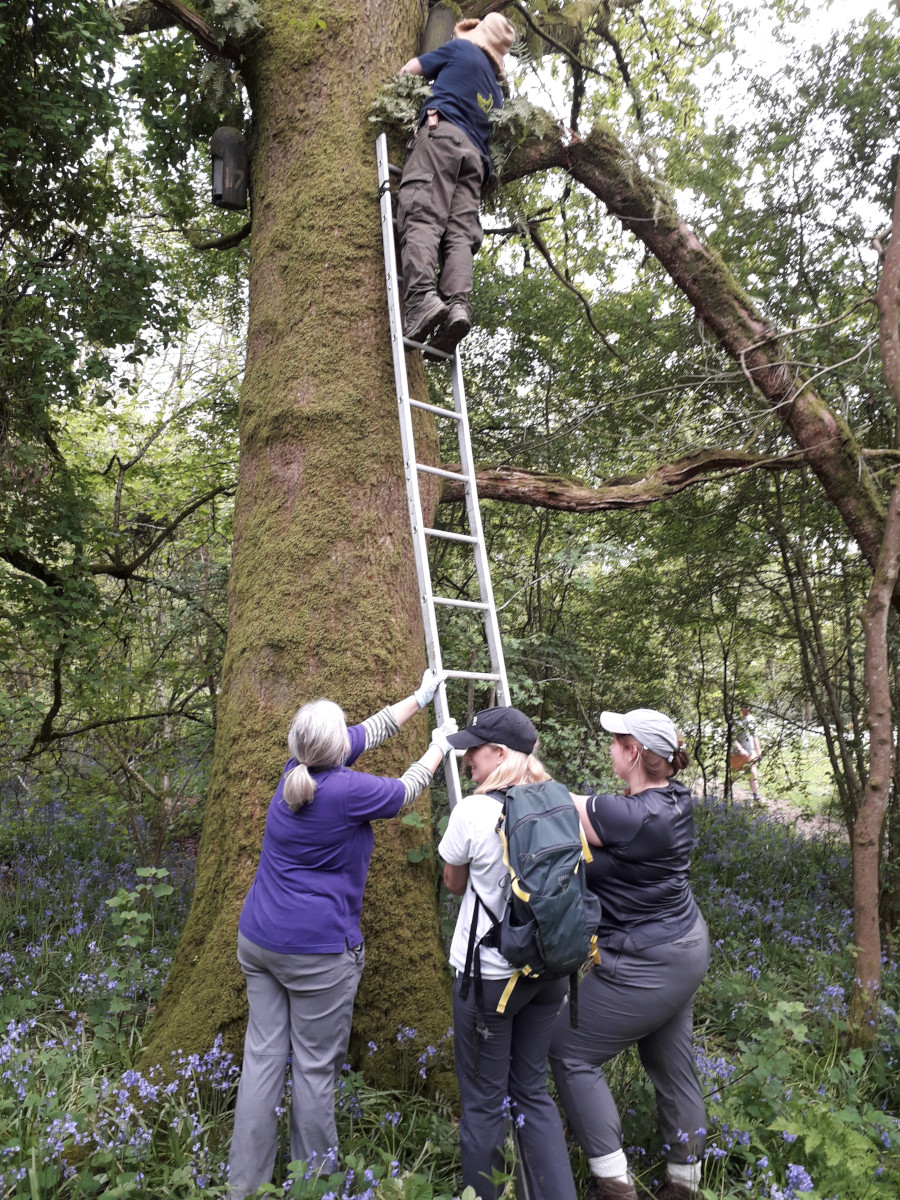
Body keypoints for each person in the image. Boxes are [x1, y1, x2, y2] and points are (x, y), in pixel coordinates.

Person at [227, 669, 456, 1200]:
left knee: (261, 1059)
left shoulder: (296, 769)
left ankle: (246, 1188)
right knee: (312, 1069)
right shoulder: (348, 790)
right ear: (335, 749)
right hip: (317, 953)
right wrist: (438, 750)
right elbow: (403, 793)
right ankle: (314, 1187)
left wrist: (418, 700)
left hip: (259, 940)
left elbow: (370, 731)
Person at [549, 708, 710, 1200]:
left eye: (617, 741)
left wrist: (520, 762)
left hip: (647, 961)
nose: (610, 748)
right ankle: (684, 1186)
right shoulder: (673, 799)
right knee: (670, 1061)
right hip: (683, 948)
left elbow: (557, 801)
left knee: (567, 1051)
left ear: (636, 751)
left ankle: (614, 1184)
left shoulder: (637, 815)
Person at [438, 706, 578, 1200]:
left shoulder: (473, 812)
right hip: (548, 970)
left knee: (482, 1102)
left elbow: (454, 884)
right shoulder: (560, 801)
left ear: (499, 754)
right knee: (532, 1092)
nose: (467, 759)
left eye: (474, 749)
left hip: (491, 980)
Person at [396, 12, 516, 352]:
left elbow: (409, 71)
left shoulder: (458, 51)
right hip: (475, 161)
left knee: (422, 214)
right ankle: (457, 307)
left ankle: (421, 301)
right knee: (459, 236)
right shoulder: (496, 91)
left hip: (441, 137)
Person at [731, 701, 762, 800]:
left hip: (750, 752)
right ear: (741, 708)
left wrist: (758, 751)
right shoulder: (736, 720)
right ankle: (727, 795)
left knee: (753, 773)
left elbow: (754, 736)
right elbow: (731, 737)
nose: (746, 710)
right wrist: (740, 749)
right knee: (733, 775)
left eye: (748, 707)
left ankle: (756, 797)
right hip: (736, 754)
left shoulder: (752, 719)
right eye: (744, 707)